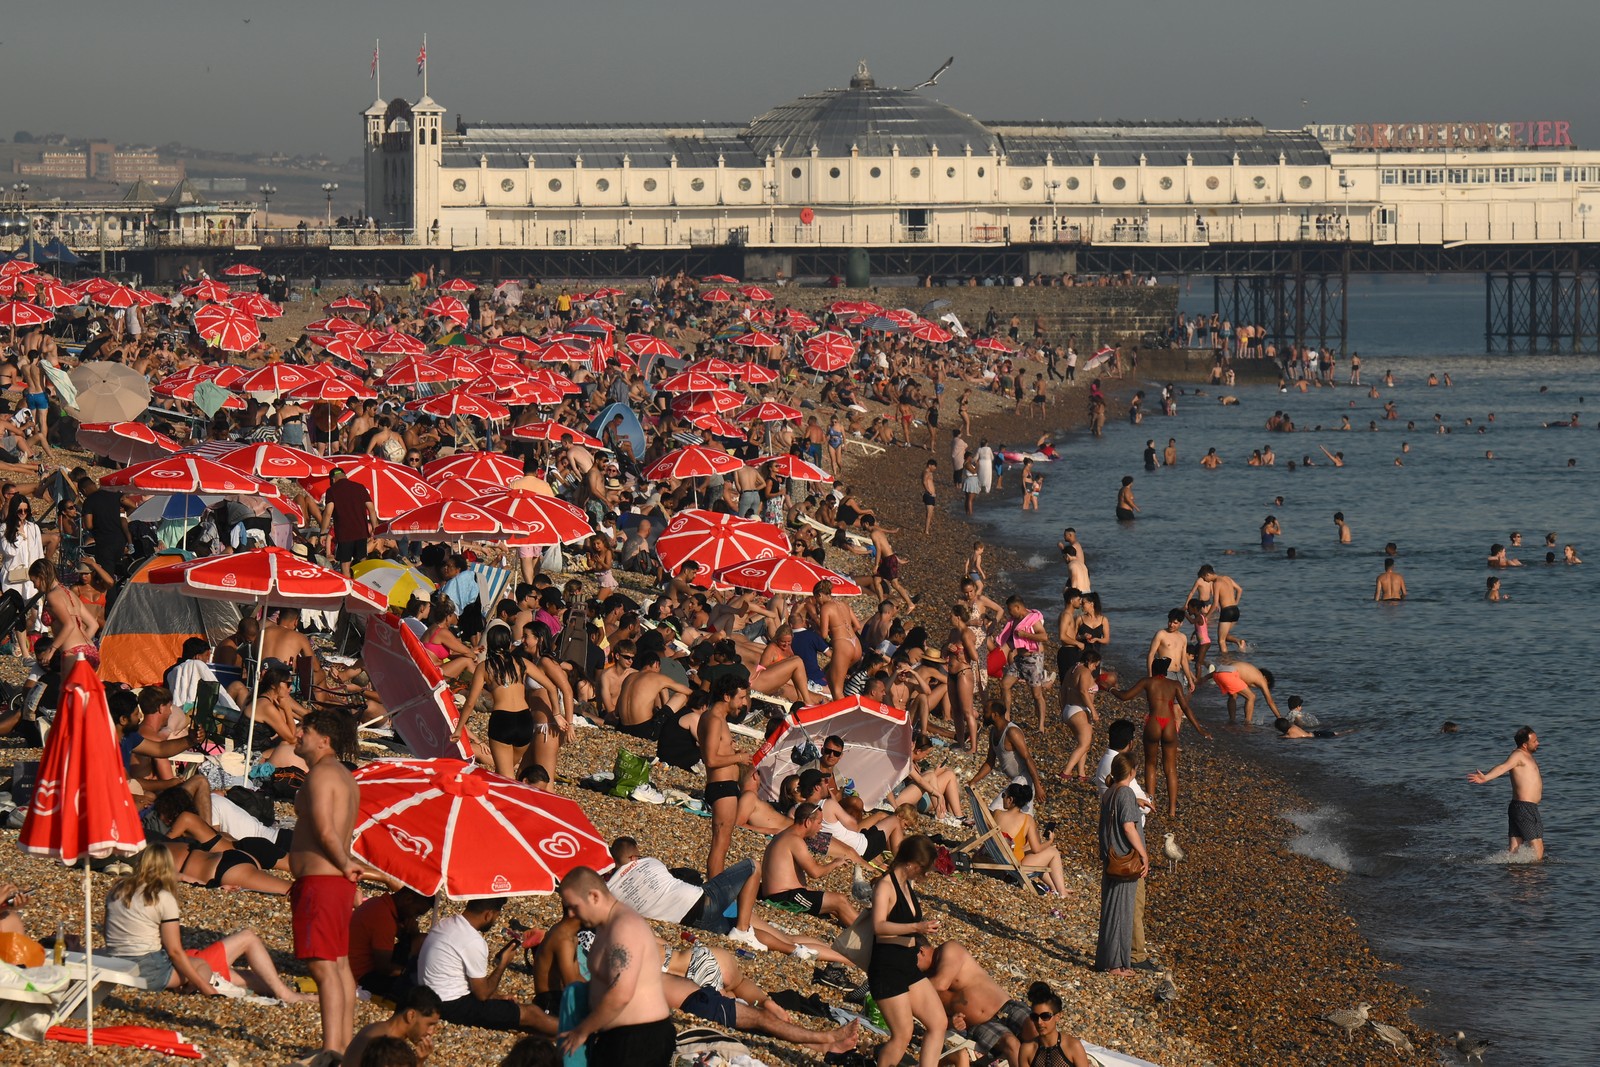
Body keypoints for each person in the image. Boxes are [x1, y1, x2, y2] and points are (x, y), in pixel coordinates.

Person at [103, 843, 309, 1002]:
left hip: (120, 959)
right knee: (246, 939)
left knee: (249, 978)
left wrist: (214, 886)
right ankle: (287, 995)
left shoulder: (117, 890)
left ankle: (286, 993)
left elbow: (109, 933)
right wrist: (206, 988)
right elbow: (174, 952)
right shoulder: (161, 898)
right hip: (153, 969)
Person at [290, 709, 366, 1059]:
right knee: (338, 964)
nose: (298, 734)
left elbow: (324, 831)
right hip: (334, 883)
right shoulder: (345, 777)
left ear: (325, 739)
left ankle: (332, 1049)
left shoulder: (320, 776)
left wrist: (344, 863)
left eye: (304, 729)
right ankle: (345, 1045)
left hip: (322, 880)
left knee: (323, 966)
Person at [555, 867, 675, 1065]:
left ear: (594, 896)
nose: (570, 914)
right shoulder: (605, 926)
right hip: (617, 1036)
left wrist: (582, 1031)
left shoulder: (624, 927)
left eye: (573, 906)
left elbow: (621, 994)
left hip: (640, 1038)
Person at [417, 897, 556, 1032]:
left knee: (511, 1008)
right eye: (496, 916)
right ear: (488, 914)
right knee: (531, 1013)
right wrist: (503, 964)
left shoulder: (446, 923)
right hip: (450, 1006)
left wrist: (497, 997)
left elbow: (469, 983)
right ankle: (572, 1032)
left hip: (428, 996)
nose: (495, 921)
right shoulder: (472, 940)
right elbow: (482, 994)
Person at [869, 836, 946, 1067]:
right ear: (912, 863)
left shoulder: (905, 884)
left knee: (938, 1022)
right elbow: (878, 926)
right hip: (887, 969)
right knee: (903, 1034)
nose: (924, 873)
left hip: (908, 965)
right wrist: (916, 927)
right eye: (924, 868)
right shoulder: (885, 886)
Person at [1114, 658, 1212, 817]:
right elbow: (1185, 707)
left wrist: (1110, 689)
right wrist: (1199, 729)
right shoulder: (1174, 685)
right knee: (1171, 768)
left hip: (1153, 722)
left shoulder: (1147, 681)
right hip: (1169, 724)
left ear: (1153, 669)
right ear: (1166, 671)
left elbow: (1125, 696)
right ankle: (1172, 810)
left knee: (1150, 764)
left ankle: (1151, 803)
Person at [1093, 720, 1155, 967]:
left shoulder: (1109, 792)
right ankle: (1126, 960)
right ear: (1132, 771)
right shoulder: (1125, 793)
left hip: (1111, 854)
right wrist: (1144, 854)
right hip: (1125, 856)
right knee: (1127, 909)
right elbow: (1129, 826)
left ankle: (1110, 959)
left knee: (1112, 910)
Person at [759, 802, 859, 925]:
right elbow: (815, 872)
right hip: (783, 898)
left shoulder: (784, 835)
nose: (821, 827)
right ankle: (872, 935)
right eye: (819, 822)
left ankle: (862, 931)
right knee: (839, 901)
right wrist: (835, 863)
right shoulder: (794, 840)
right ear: (807, 822)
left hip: (783, 894)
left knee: (834, 908)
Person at [698, 674, 750, 878]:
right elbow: (710, 760)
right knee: (721, 841)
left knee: (724, 840)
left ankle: (715, 886)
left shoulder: (717, 720)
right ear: (727, 697)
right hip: (721, 786)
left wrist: (732, 753)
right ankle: (714, 890)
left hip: (725, 786)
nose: (744, 703)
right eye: (741, 698)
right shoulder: (713, 720)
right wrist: (738, 757)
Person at [1467, 726, 1544, 861]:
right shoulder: (1518, 755)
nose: (1538, 743)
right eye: (1535, 741)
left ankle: (1512, 880)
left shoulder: (1525, 755)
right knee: (1538, 850)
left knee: (1514, 850)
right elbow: (1503, 766)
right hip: (1525, 808)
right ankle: (1533, 881)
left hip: (1520, 808)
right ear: (1525, 745)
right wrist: (1486, 777)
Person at [349, 887, 433, 1001]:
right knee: (419, 991)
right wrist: (413, 973)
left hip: (357, 966)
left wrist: (412, 933)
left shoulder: (379, 903)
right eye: (417, 913)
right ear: (408, 899)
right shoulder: (384, 918)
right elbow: (384, 968)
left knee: (421, 940)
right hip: (363, 977)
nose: (415, 918)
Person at [991, 782, 1067, 896]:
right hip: (1012, 866)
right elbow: (1037, 849)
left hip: (996, 856)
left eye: (1003, 795)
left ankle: (1054, 887)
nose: (1003, 798)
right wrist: (1050, 841)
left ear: (1010, 800)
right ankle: (1062, 892)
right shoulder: (1027, 819)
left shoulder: (996, 813)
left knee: (1031, 846)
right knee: (1053, 851)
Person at [342, 986, 444, 1067]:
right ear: (411, 1015)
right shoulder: (387, 1047)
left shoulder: (376, 1029)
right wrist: (419, 1062)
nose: (431, 1032)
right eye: (430, 1024)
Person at [970, 701, 1043, 808]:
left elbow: (1028, 758)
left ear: (995, 715)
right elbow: (990, 762)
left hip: (1023, 779)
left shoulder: (1012, 732)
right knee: (1019, 814)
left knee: (995, 808)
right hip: (1015, 781)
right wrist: (973, 781)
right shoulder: (993, 732)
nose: (983, 715)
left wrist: (1037, 786)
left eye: (986, 712)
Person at [996, 596, 1051, 729]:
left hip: (1033, 659)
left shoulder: (1032, 619)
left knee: (1037, 694)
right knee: (1004, 685)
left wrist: (1025, 635)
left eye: (1010, 610)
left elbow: (1044, 636)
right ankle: (1007, 716)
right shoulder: (1015, 620)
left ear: (1018, 607)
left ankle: (1041, 726)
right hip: (1019, 659)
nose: (1009, 613)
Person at [321, 467, 377, 575]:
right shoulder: (359, 487)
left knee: (345, 563)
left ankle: (349, 588)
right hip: (361, 532)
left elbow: (328, 512)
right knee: (362, 561)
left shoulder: (332, 490)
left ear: (332, 480)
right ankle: (363, 586)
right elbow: (371, 509)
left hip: (344, 533)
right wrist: (375, 528)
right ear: (345, 476)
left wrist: (323, 533)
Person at [1058, 648, 1101, 782]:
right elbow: (1083, 691)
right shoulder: (1085, 672)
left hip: (1069, 709)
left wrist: (1063, 709)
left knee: (1083, 743)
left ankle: (1081, 774)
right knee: (1084, 743)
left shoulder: (1072, 669)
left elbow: (1063, 690)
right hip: (1079, 710)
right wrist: (1093, 711)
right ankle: (1066, 772)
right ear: (1089, 661)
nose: (1094, 668)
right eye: (1095, 665)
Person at [1022, 986, 1091, 1067]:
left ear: (1057, 1016)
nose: (1039, 1022)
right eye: (1035, 1017)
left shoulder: (1072, 1046)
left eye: (1045, 1016)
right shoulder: (1027, 1050)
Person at [1204, 660, 1280, 725]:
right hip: (1228, 675)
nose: (1259, 687)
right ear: (1266, 678)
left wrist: (1204, 678)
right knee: (1251, 697)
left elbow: (1223, 669)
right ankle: (1247, 723)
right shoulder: (1261, 678)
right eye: (1267, 685)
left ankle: (1232, 720)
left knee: (1233, 695)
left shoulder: (1249, 669)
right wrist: (1279, 718)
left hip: (1217, 673)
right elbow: (1270, 701)